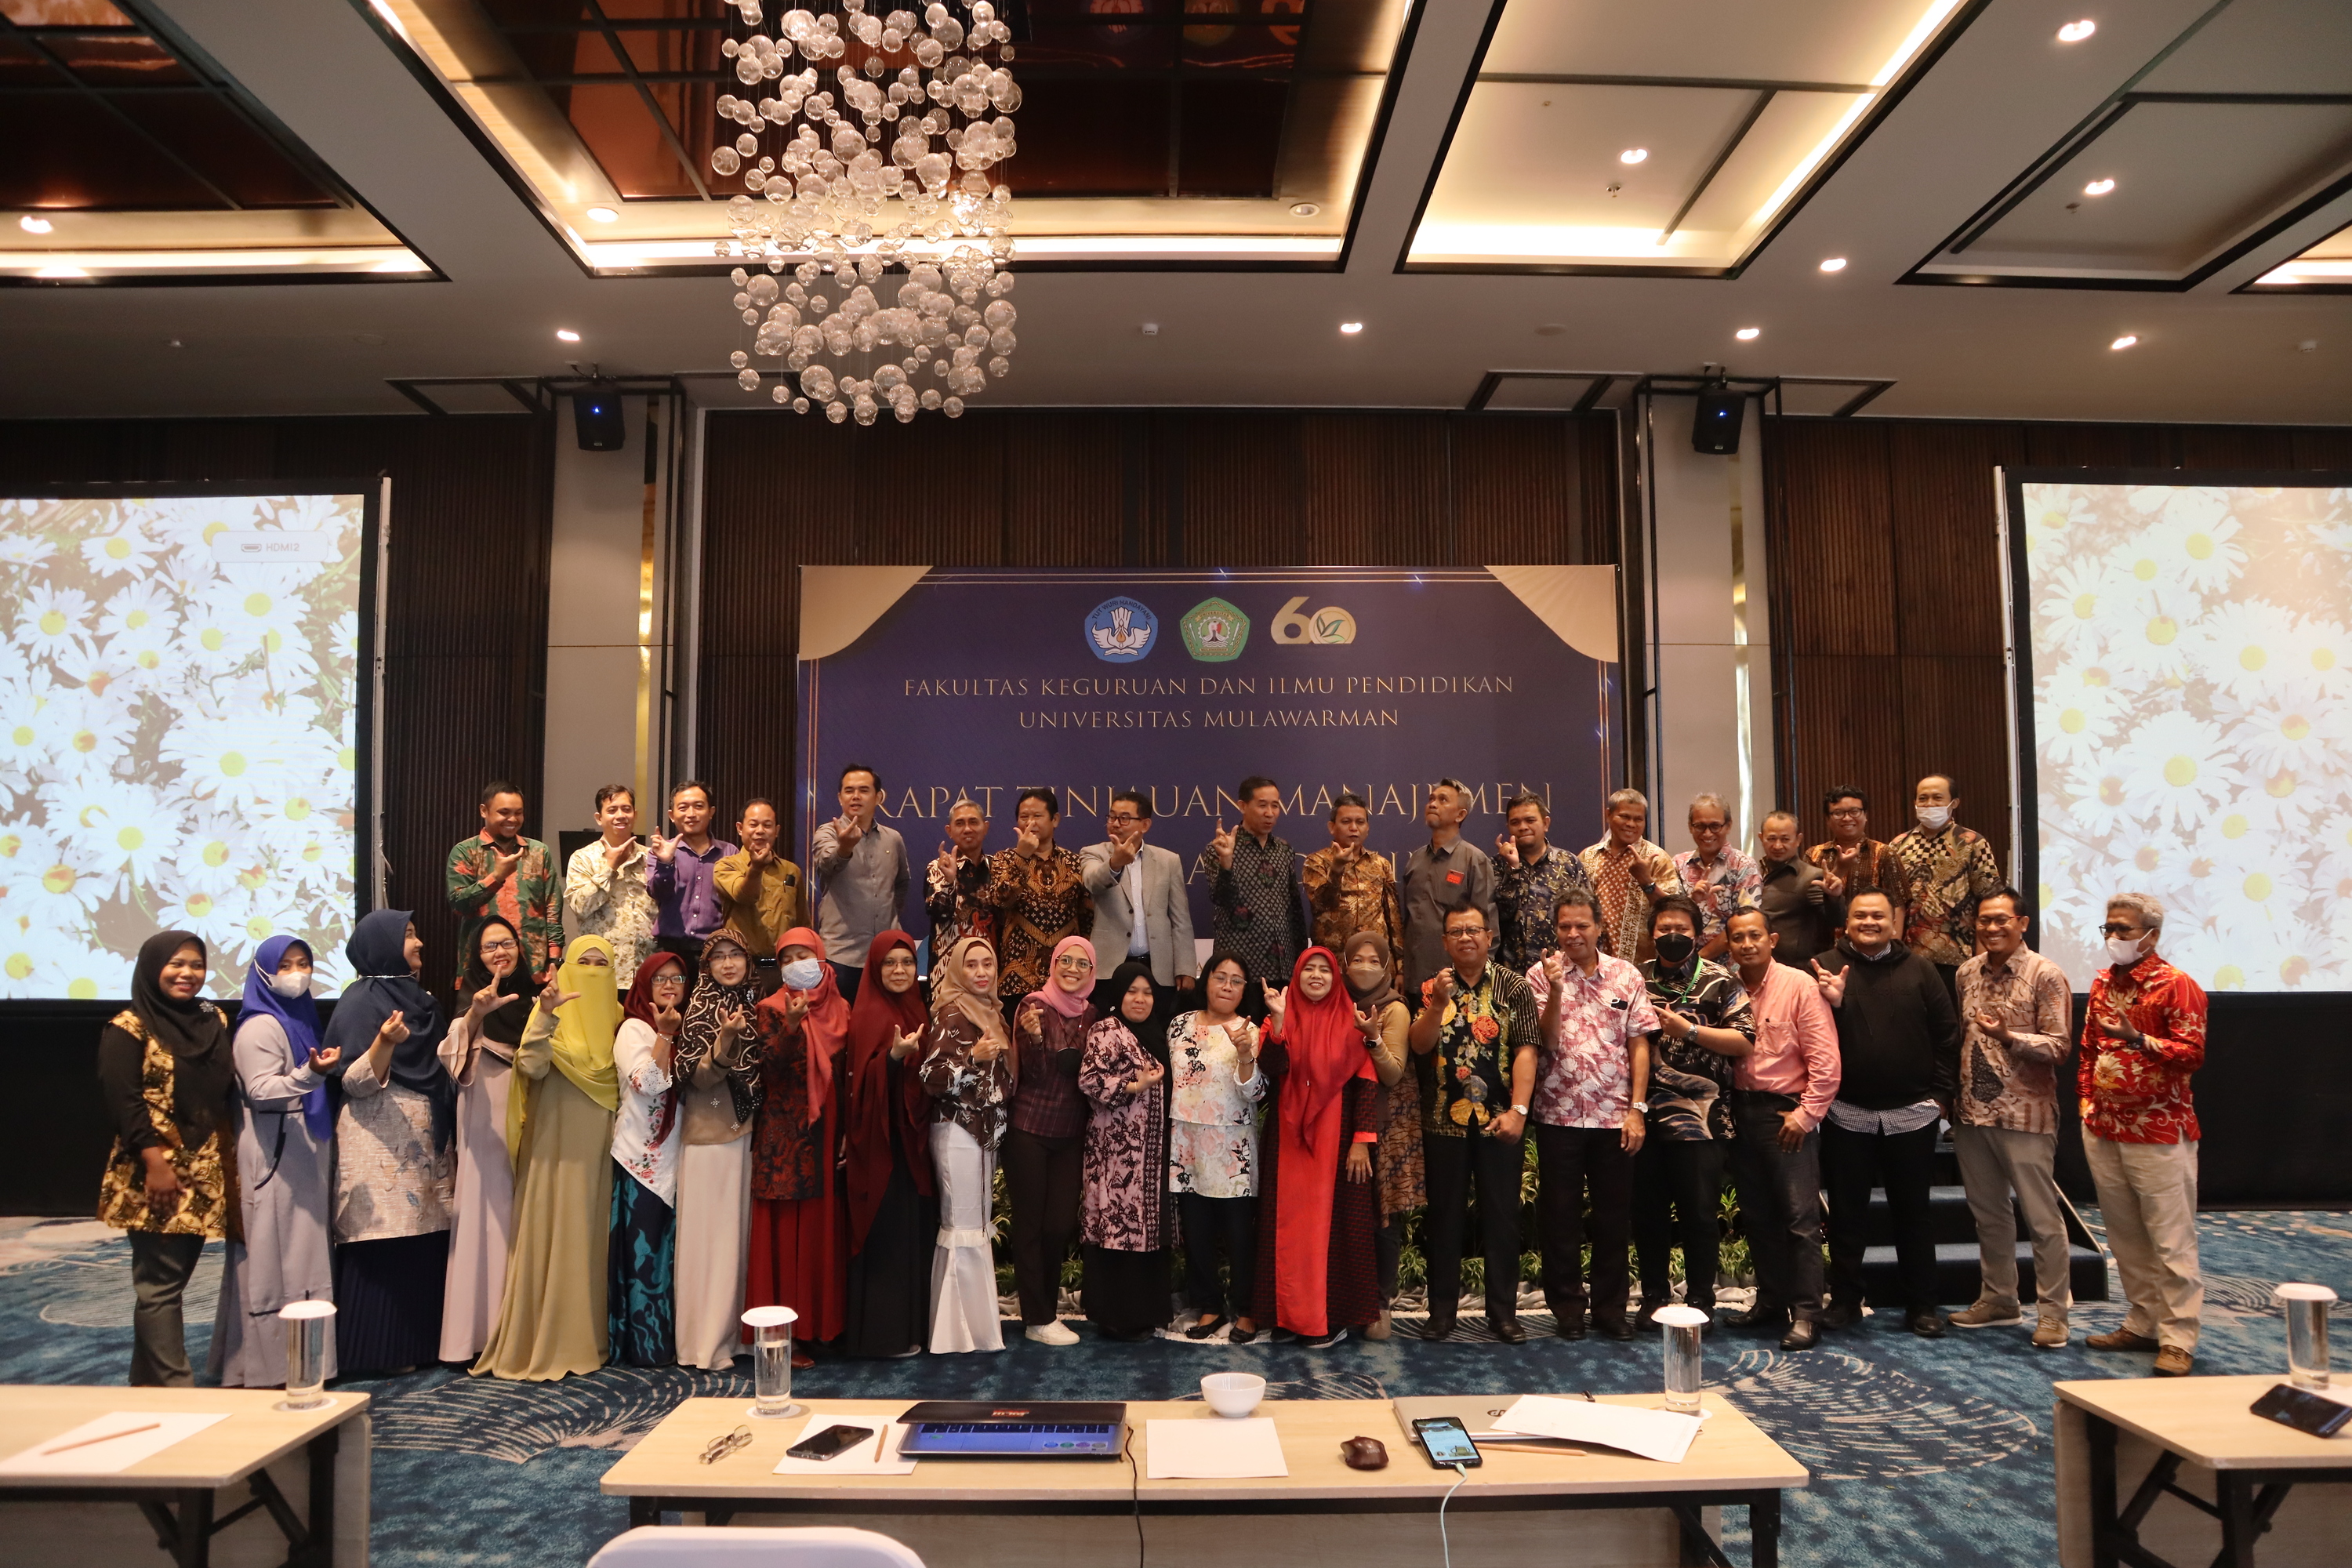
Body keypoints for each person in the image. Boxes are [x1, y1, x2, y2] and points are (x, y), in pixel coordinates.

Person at [1811, 889, 1960, 1338]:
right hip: (1845, 1112)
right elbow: (1811, 1037)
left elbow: (1947, 1035)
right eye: (1860, 915)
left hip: (1913, 1113)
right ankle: (1845, 1300)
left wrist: (1940, 1096)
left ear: (1894, 922)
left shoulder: (1922, 969)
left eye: (1878, 916)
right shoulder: (1822, 967)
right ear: (1847, 922)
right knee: (1846, 1214)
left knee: (1913, 1213)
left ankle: (1922, 1305)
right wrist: (1834, 1005)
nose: (1869, 923)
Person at [474, 935, 620, 1381]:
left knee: (591, 1238)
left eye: (601, 965)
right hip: (553, 1150)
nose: (592, 972)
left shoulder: (619, 1017)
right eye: (583, 963)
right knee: (552, 1231)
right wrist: (547, 1015)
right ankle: (547, 1336)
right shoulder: (548, 1012)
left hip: (600, 1149)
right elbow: (531, 1066)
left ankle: (590, 1336)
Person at [96, 931, 238, 1386]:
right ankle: (178, 1387)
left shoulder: (213, 1019)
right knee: (159, 1285)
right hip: (153, 1171)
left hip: (202, 1168)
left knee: (165, 1283)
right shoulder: (128, 1028)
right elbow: (126, 1105)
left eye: (196, 964)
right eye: (176, 964)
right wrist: (156, 1165)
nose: (187, 973)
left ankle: (147, 1385)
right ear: (152, 967)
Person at [321, 909, 457, 1375]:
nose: (419, 943)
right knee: (384, 1239)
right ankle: (374, 1351)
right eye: (409, 935)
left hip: (425, 1142)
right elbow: (354, 1082)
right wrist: (384, 1042)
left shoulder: (423, 1001)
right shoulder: (359, 1001)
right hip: (378, 1142)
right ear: (382, 945)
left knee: (423, 1237)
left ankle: (418, 1345)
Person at [2079, 893, 2207, 1377]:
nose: (2114, 937)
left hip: (2159, 1129)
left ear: (2152, 934)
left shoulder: (2177, 985)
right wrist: (2086, 1100)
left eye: (2124, 930)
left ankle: (2178, 1337)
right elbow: (2089, 1049)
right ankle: (2143, 1322)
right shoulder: (2101, 983)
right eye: (2108, 928)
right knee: (2126, 1235)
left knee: (2171, 1240)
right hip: (2104, 1126)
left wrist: (2138, 1039)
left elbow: (2192, 1054)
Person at [1526, 889, 1656, 1341]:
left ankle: (1610, 1309)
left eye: (1582, 925)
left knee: (1613, 1217)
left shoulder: (1626, 975)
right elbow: (1546, 1040)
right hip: (1557, 1114)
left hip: (1614, 1116)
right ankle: (1566, 1308)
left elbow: (1640, 1044)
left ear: (1599, 927)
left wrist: (1637, 1109)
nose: (1574, 934)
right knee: (1559, 1216)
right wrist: (1556, 989)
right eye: (1565, 926)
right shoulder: (1540, 975)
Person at [1949, 888, 2075, 1348]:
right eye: (1984, 920)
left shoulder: (2046, 974)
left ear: (2022, 923)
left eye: (2002, 919)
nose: (1991, 928)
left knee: (2042, 1220)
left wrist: (2010, 1037)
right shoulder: (1966, 972)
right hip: (1973, 1114)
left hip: (2027, 1115)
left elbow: (2059, 1047)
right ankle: (2000, 1299)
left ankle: (2054, 1313)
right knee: (1988, 1215)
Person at [212, 936, 338, 1387]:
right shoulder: (260, 1027)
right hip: (275, 1147)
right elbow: (260, 1090)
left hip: (300, 1144)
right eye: (285, 965)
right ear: (264, 972)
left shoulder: (299, 1018)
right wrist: (310, 1075)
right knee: (274, 1253)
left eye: (303, 963)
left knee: (304, 1253)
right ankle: (269, 1367)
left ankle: (307, 1363)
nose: (296, 973)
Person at [1408, 906, 1538, 1342]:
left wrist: (1519, 1111)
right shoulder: (1432, 986)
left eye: (1473, 930)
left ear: (1489, 936)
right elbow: (1419, 1045)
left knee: (1502, 1219)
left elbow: (1526, 1051)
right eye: (1456, 932)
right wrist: (1437, 1005)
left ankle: (1503, 1315)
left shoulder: (1514, 987)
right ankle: (1442, 1313)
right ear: (1445, 942)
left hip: (1499, 1121)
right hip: (1442, 1122)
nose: (1466, 938)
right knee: (1444, 1219)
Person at [1252, 948, 1383, 1347]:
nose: (1316, 975)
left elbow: (1366, 1084)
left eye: (1324, 969)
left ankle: (1326, 1319)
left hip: (1336, 1139)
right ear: (1296, 975)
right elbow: (1271, 1070)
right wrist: (1278, 1021)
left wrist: (1362, 1140)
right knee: (1286, 1227)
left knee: (1331, 1229)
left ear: (1335, 977)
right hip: (1287, 1138)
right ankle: (1286, 1316)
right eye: (1308, 968)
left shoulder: (1352, 1021)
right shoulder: (1278, 1017)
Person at [1632, 895, 1754, 1325]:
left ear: (1698, 934)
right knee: (1648, 1213)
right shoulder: (1635, 979)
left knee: (1699, 1213)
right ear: (1652, 934)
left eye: (1682, 929)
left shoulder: (1721, 980)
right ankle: (1653, 1297)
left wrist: (1690, 1031)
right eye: (1664, 929)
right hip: (1643, 1116)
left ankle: (1702, 1299)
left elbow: (1744, 1042)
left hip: (1703, 1121)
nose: (1673, 936)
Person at [1722, 908, 1839, 1352]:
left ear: (1772, 940)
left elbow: (1826, 1062)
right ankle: (1771, 1301)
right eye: (1738, 938)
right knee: (1758, 1216)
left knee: (1799, 1220)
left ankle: (1807, 1313)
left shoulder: (1799, 985)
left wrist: (1806, 1116)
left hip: (1787, 1113)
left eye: (1755, 935)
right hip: (1741, 1111)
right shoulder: (1727, 987)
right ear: (1729, 945)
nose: (1747, 944)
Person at [745, 928, 851, 1364]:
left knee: (822, 1231)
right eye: (786, 959)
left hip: (829, 1131)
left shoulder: (843, 1010)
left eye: (803, 955)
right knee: (789, 1233)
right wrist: (791, 1027)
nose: (795, 965)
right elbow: (769, 1072)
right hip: (787, 1137)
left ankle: (822, 1326)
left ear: (821, 958)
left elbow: (848, 1076)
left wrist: (848, 1130)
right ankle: (785, 1335)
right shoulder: (770, 1009)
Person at [436, 916, 531, 1363]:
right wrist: (477, 1013)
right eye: (490, 946)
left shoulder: (533, 998)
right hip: (485, 1124)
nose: (500, 953)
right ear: (475, 956)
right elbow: (449, 1058)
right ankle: (478, 1333)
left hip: (531, 1120)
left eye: (507, 943)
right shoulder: (469, 1003)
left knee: (525, 1218)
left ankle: (523, 1331)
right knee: (486, 1219)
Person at [840, 929, 938, 1359]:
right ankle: (884, 1337)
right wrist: (893, 1060)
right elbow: (859, 1085)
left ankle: (912, 1330)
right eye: (890, 963)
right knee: (886, 1236)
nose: (899, 971)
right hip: (880, 1144)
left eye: (907, 963)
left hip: (913, 1141)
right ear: (875, 969)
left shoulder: (917, 1008)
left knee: (912, 1233)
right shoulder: (868, 1014)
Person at [917, 935, 1015, 1354]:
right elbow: (931, 1077)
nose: (981, 973)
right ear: (958, 969)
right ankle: (955, 1334)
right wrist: (973, 1058)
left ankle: (977, 1328)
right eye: (971, 965)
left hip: (985, 1132)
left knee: (975, 1227)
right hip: (958, 1129)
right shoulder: (952, 1013)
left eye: (987, 964)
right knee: (962, 1228)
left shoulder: (993, 1012)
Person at [671, 934, 764, 1370]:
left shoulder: (754, 1004)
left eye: (736, 955)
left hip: (742, 1132)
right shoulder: (699, 1008)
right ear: (706, 966)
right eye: (719, 958)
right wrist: (725, 1043)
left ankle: (732, 1336)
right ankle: (703, 1344)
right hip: (710, 1135)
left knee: (734, 1241)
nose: (728, 964)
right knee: (709, 1243)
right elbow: (698, 1077)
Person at [1005, 935, 1100, 1345]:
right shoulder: (1033, 1005)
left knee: (1059, 1224)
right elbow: (1035, 1074)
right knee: (1030, 1225)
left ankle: (1044, 1311)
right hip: (1029, 1129)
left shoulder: (1092, 1014)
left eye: (1082, 964)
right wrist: (1033, 1038)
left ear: (1092, 971)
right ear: (1053, 963)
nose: (1073, 969)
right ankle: (1038, 1317)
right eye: (1066, 960)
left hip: (1070, 1133)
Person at [1169, 951, 1267, 1341]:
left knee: (1240, 1234)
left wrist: (1244, 1055)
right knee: (1197, 1232)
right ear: (1205, 980)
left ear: (1244, 990)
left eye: (1236, 980)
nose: (1227, 986)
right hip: (1187, 1144)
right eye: (1220, 977)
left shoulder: (1253, 1030)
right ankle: (1209, 1306)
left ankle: (1246, 1310)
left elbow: (1257, 1093)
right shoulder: (1179, 1025)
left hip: (1232, 1147)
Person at [1079, 960, 1174, 1341]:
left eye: (1147, 992)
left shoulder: (1157, 1035)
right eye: (1132, 991)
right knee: (1117, 1228)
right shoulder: (1107, 1029)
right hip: (1116, 1155)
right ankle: (1116, 1316)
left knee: (1147, 1232)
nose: (1140, 999)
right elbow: (1089, 1079)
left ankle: (1145, 1313)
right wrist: (1134, 1086)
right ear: (1118, 995)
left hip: (1152, 1153)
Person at [609, 951, 688, 1367]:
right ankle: (647, 1350)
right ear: (644, 986)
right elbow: (649, 1084)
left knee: (673, 1255)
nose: (669, 985)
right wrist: (665, 1036)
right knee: (647, 1254)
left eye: (677, 978)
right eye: (660, 979)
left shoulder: (691, 1025)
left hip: (680, 1155)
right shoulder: (634, 1029)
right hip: (640, 1158)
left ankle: (675, 1342)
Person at [1337, 932, 1416, 1341]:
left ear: (1387, 967)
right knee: (1346, 1214)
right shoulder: (1334, 1002)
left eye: (1374, 960)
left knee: (1382, 1217)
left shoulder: (1394, 1009)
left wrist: (1372, 1037)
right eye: (1357, 959)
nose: (1364, 967)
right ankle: (1348, 1299)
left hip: (1386, 1124)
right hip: (1340, 1121)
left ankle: (1381, 1303)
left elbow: (1393, 1073)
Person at [1080, 789, 1197, 1011]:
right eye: (1112, 817)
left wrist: (1186, 968)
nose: (1116, 823)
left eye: (1124, 818)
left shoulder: (1168, 860)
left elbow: (1180, 919)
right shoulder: (1094, 853)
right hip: (1110, 969)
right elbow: (1092, 881)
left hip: (1157, 969)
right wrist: (1115, 863)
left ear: (1145, 825)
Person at [980, 786, 1094, 1015]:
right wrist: (1021, 857)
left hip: (1066, 978)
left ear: (1055, 820)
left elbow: (1087, 917)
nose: (1030, 823)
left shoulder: (1074, 862)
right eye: (1024, 817)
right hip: (1017, 980)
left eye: (1037, 816)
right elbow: (1001, 900)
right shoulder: (1004, 859)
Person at [1195, 776, 1308, 1004]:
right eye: (1262, 805)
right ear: (1243, 806)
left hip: (1283, 967)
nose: (1270, 813)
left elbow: (1294, 907)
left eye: (1275, 806)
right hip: (1240, 968)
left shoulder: (1284, 849)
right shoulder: (1220, 848)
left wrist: (1300, 959)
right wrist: (1226, 862)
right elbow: (1220, 898)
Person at [1888, 774, 2002, 998]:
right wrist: (1892, 954)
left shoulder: (1973, 843)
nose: (1929, 804)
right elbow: (1894, 903)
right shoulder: (1898, 845)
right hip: (1909, 959)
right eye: (1923, 798)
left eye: (1938, 798)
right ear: (1915, 803)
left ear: (1954, 803)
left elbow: (1988, 900)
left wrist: (1984, 960)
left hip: (1960, 958)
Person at [810, 764, 911, 1003]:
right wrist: (844, 848)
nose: (855, 796)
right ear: (840, 797)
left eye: (864, 790)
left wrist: (889, 915)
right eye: (849, 791)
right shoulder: (827, 833)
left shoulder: (893, 839)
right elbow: (826, 865)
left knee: (885, 1023)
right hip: (842, 955)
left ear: (878, 797)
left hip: (886, 955)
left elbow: (901, 884)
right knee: (842, 1023)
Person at [446, 780, 561, 988]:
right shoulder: (465, 852)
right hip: (481, 971)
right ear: (484, 811)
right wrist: (496, 877)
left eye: (519, 813)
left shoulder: (538, 852)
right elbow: (459, 904)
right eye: (504, 812)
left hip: (533, 970)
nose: (513, 819)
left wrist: (555, 958)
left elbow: (552, 909)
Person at [1400, 778, 1498, 996]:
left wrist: (1480, 982)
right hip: (1414, 979)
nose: (1433, 804)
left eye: (1443, 800)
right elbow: (1407, 923)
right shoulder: (1415, 860)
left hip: (1459, 983)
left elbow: (1488, 928)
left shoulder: (1475, 860)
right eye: (1431, 799)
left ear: (1460, 815)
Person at [1301, 792, 1405, 978]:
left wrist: (1400, 968)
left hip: (1376, 965)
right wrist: (1337, 869)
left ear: (1367, 828)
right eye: (1346, 821)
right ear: (1332, 827)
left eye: (1360, 822)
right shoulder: (1316, 862)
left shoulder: (1381, 864)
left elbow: (1393, 918)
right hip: (1334, 966)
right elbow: (1321, 905)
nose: (1353, 828)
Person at [564, 783, 658, 986]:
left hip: (647, 970)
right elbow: (580, 907)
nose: (620, 815)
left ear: (635, 815)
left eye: (626, 809)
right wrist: (610, 867)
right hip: (601, 970)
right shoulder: (583, 858)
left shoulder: (651, 857)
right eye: (612, 810)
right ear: (599, 818)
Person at [1491, 791, 1592, 975]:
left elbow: (1589, 917)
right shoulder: (1497, 864)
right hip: (1510, 973)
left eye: (1530, 820)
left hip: (1561, 971)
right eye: (1515, 822)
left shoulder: (1569, 863)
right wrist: (1513, 869)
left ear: (1546, 823)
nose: (1523, 827)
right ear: (1508, 827)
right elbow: (1499, 916)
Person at [715, 797, 807, 996]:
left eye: (767, 825)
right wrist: (756, 869)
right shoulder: (726, 866)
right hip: (742, 969)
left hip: (785, 970)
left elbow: (802, 925)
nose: (760, 831)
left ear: (777, 831)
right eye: (753, 824)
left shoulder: (791, 871)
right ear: (740, 829)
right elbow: (743, 895)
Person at [1581, 788, 1682, 964]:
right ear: (1608, 815)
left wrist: (1646, 882)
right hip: (1595, 963)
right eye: (1625, 817)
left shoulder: (1657, 858)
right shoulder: (1588, 857)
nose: (1631, 824)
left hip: (1642, 965)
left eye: (1638, 819)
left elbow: (1673, 911)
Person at [645, 779, 736, 971]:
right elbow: (657, 893)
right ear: (672, 815)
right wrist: (666, 863)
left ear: (711, 812)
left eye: (699, 806)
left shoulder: (729, 853)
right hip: (670, 950)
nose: (691, 814)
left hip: (716, 952)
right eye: (683, 808)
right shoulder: (660, 852)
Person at [1805, 786, 1909, 935]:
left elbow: (1898, 905)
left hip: (1872, 941)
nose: (1847, 818)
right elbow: (1808, 902)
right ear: (1827, 820)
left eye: (1854, 812)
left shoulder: (1885, 854)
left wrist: (1893, 945)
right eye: (1838, 813)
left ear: (1865, 815)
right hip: (1824, 942)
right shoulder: (1814, 855)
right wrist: (1839, 871)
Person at [1673, 793, 1762, 962]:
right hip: (1681, 962)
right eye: (1700, 826)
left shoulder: (1743, 866)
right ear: (1690, 826)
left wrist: (1699, 960)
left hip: (1730, 966)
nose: (1707, 834)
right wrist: (1693, 901)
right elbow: (1671, 919)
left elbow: (1745, 923)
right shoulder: (1678, 864)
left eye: (1715, 826)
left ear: (1728, 826)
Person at [1755, 810, 1840, 968]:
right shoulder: (1753, 873)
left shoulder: (1811, 877)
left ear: (1798, 840)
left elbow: (1836, 921)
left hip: (1796, 970)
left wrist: (1834, 898)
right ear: (1761, 838)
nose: (1778, 846)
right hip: (1757, 967)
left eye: (1785, 839)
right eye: (1771, 839)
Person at [924, 795, 1000, 954]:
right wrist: (949, 882)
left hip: (989, 964)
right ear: (949, 831)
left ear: (985, 827)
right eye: (960, 824)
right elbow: (939, 915)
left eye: (973, 822)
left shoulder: (999, 867)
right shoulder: (937, 867)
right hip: (948, 964)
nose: (967, 829)